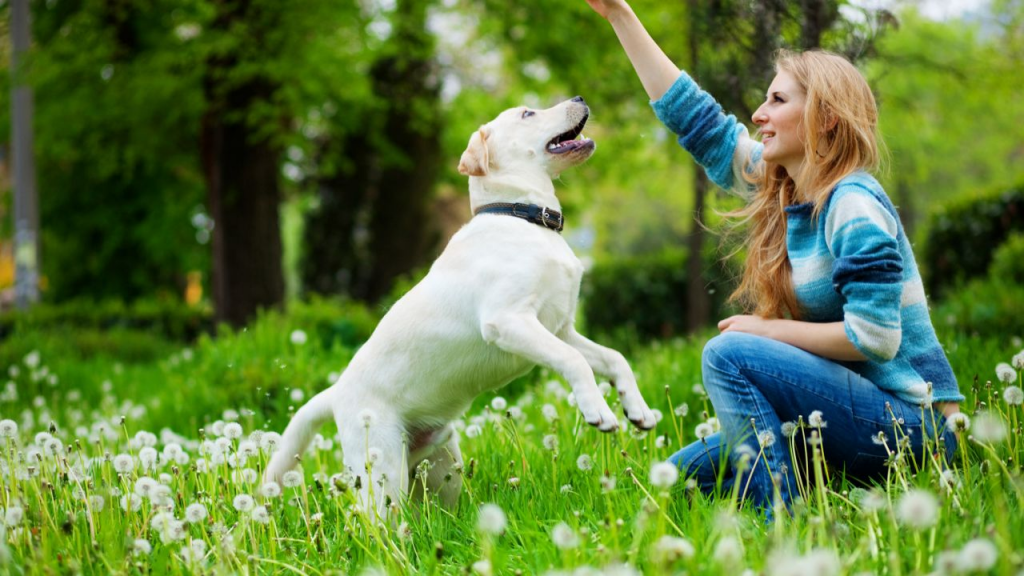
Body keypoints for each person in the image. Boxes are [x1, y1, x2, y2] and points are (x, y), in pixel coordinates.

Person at [584, 0, 963, 514]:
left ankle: (778, 520)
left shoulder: (852, 204)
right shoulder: (790, 189)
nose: (758, 114)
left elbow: (875, 337)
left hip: (913, 427)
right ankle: (796, 485)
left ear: (825, 118)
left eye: (777, 100)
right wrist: (620, 16)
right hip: (852, 414)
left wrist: (764, 331)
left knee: (727, 354)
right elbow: (699, 123)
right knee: (683, 475)